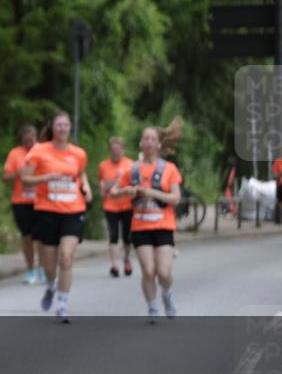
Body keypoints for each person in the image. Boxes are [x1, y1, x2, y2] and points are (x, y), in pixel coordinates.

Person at [21, 111, 92, 323]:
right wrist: (46, 177)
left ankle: (62, 304)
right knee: (50, 265)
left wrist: (86, 187)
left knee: (66, 257)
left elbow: (80, 174)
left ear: (70, 128)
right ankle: (51, 286)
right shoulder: (39, 151)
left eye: (66, 125)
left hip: (73, 210)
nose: (62, 129)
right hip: (47, 211)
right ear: (53, 127)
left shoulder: (78, 153)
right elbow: (25, 180)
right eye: (58, 125)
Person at [110, 119, 184, 324]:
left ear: (159, 144)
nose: (149, 142)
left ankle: (167, 293)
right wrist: (128, 191)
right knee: (148, 270)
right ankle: (152, 307)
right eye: (146, 139)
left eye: (153, 139)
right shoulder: (132, 170)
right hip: (141, 226)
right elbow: (113, 192)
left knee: (164, 271)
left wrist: (152, 192)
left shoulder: (169, 169)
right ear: (141, 144)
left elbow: (176, 198)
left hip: (163, 226)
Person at [3, 125, 44, 284]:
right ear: (22, 139)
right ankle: (30, 270)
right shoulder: (15, 154)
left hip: (40, 201)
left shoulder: (43, 152)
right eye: (26, 140)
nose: (29, 143)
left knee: (41, 237)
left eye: (32, 139)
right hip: (21, 202)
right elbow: (5, 177)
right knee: (26, 236)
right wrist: (17, 174)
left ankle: (43, 268)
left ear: (36, 137)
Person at [98, 137, 134, 277]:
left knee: (127, 236)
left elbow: (135, 183)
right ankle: (114, 265)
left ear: (123, 150)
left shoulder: (131, 164)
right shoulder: (103, 165)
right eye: (113, 150)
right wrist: (103, 188)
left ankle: (126, 259)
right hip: (111, 205)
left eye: (118, 150)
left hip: (127, 205)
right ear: (110, 151)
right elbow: (102, 183)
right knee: (113, 235)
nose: (116, 153)